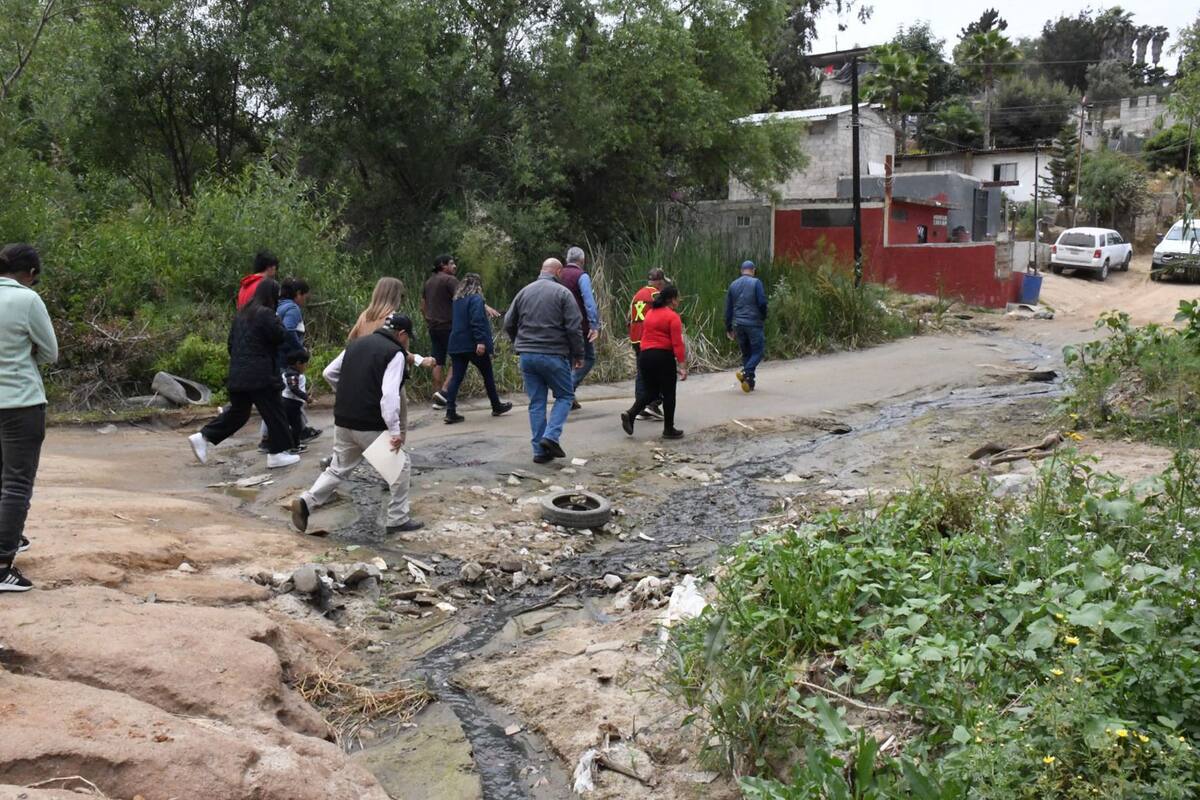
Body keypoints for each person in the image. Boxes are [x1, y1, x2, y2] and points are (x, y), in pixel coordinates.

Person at [291, 313, 425, 535]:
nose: (407, 342)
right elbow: (389, 396)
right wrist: (394, 431)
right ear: (401, 334)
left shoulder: (356, 344)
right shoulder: (395, 353)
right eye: (408, 337)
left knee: (337, 469)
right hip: (369, 423)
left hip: (344, 420)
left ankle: (307, 501)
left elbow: (329, 373)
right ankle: (398, 519)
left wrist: (349, 394)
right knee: (401, 467)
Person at [189, 279, 300, 469]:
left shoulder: (241, 315)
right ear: (271, 296)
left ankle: (203, 436)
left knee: (239, 413)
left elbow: (231, 345)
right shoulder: (266, 314)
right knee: (275, 412)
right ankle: (277, 454)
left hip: (238, 373)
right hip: (262, 375)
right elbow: (280, 336)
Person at [0, 244, 58, 593]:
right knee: (16, 484)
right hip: (20, 403)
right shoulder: (27, 300)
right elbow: (50, 352)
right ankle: (3, 565)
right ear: (31, 273)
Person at [503, 258, 584, 464]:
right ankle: (551, 437)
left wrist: (519, 343)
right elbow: (574, 327)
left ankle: (540, 451)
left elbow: (508, 322)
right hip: (554, 354)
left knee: (537, 402)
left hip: (527, 356)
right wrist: (579, 354)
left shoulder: (524, 291)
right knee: (565, 396)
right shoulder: (563, 294)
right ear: (558, 272)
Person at [442, 273, 513, 424]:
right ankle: (496, 405)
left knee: (456, 377)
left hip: (456, 343)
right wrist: (481, 341)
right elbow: (477, 320)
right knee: (487, 374)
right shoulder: (476, 299)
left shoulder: (457, 301)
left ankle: (450, 411)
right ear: (478, 285)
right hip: (472, 344)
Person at [259, 277, 319, 451]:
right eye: (304, 297)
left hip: (274, 358)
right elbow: (288, 330)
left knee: (278, 399)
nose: (304, 302)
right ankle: (273, 438)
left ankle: (291, 433)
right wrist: (300, 350)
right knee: (285, 401)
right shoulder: (292, 308)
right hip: (286, 359)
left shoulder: (278, 307)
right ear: (298, 294)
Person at [621, 285, 686, 440]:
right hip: (663, 356)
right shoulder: (672, 316)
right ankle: (668, 429)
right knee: (669, 393)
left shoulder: (650, 313)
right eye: (678, 297)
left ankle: (630, 414)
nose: (679, 300)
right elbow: (677, 343)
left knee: (651, 392)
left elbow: (644, 334)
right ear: (671, 299)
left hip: (645, 355)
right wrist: (682, 365)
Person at [559, 246, 600, 408]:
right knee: (589, 358)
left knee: (568, 360)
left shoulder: (558, 274)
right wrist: (593, 324)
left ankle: (568, 396)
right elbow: (589, 302)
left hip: (558, 325)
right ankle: (567, 391)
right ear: (582, 261)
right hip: (578, 326)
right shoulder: (581, 276)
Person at [628, 267, 668, 420]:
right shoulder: (656, 295)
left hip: (635, 338)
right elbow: (663, 316)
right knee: (659, 371)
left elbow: (628, 318)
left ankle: (640, 406)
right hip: (649, 338)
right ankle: (653, 403)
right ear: (659, 282)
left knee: (641, 373)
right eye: (663, 282)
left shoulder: (637, 295)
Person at [724, 260, 768, 393]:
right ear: (753, 270)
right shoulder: (756, 283)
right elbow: (762, 302)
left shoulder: (733, 285)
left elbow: (728, 309)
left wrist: (729, 327)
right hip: (753, 323)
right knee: (758, 351)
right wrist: (763, 316)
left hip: (738, 324)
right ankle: (746, 371)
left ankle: (749, 382)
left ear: (741, 270)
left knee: (747, 353)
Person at [422, 254, 458, 409]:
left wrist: (428, 320)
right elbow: (463, 299)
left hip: (433, 327)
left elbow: (422, 306)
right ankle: (444, 393)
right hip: (449, 327)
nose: (455, 266)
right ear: (443, 266)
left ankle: (437, 395)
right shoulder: (450, 280)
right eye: (452, 263)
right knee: (458, 359)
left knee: (437, 361)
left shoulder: (428, 283)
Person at [282, 349, 313, 450]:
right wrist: (306, 398)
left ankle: (294, 444)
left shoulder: (290, 373)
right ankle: (294, 446)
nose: (306, 367)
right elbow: (294, 388)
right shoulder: (292, 374)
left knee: (294, 425)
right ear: (298, 363)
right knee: (296, 426)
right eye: (305, 364)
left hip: (291, 403)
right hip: (290, 404)